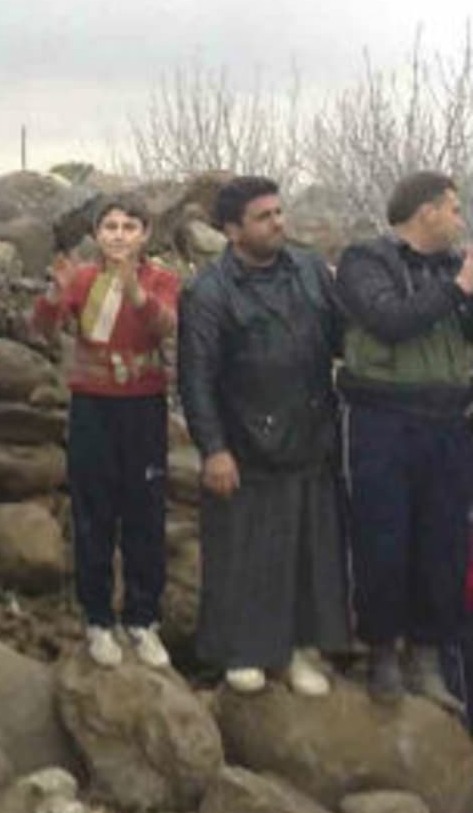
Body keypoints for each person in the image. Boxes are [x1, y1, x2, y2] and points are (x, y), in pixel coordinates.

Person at [177, 176, 348, 697]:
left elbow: (344, 337)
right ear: (232, 230)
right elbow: (196, 377)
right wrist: (214, 449)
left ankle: (300, 650)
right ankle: (243, 652)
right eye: (264, 216)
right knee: (244, 552)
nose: (278, 223)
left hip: (311, 431)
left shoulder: (311, 270)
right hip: (244, 441)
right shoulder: (208, 291)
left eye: (279, 212)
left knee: (308, 549)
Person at [333, 170, 473, 708]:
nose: (460, 221)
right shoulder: (365, 262)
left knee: (443, 543)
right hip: (382, 420)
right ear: (427, 211)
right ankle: (382, 653)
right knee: (382, 538)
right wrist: (458, 288)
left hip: (446, 421)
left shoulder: (449, 269)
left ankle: (428, 657)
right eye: (455, 209)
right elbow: (389, 320)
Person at [32, 195, 180, 670]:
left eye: (129, 226)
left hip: (144, 405)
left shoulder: (161, 280)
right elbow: (43, 331)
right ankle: (98, 619)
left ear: (145, 234)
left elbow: (164, 326)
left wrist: (132, 286)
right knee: (93, 512)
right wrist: (54, 297)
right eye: (110, 226)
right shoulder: (82, 279)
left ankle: (143, 619)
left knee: (146, 511)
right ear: (98, 235)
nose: (119, 235)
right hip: (93, 405)